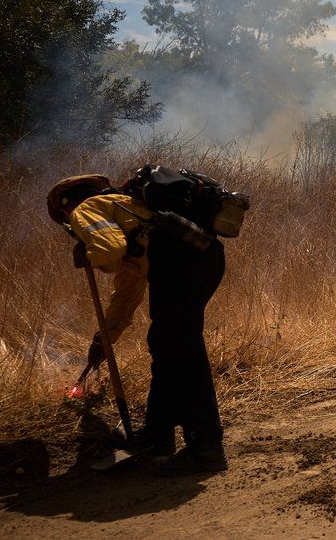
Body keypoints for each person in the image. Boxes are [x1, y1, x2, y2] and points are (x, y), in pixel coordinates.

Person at [48, 174, 228, 476]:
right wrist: (104, 340)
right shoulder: (127, 211)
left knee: (182, 353)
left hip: (180, 265)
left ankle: (206, 448)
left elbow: (108, 252)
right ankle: (157, 435)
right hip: (199, 260)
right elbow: (126, 294)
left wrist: (88, 255)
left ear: (66, 209)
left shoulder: (87, 209)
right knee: (165, 345)